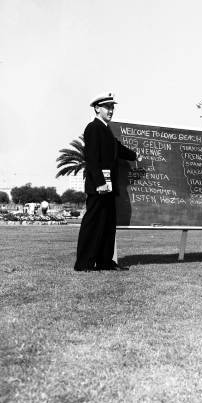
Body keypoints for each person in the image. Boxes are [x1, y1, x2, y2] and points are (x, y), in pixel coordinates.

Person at [74, 92, 138, 272]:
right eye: (107, 107)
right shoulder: (93, 128)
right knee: (93, 223)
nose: (111, 111)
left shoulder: (106, 130)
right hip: (99, 187)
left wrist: (135, 155)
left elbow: (117, 148)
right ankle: (84, 263)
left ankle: (105, 261)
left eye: (112, 107)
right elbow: (92, 159)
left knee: (108, 225)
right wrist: (100, 183)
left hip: (109, 187)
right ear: (97, 108)